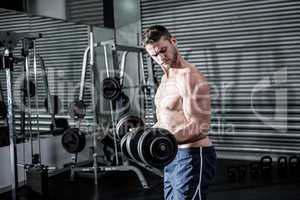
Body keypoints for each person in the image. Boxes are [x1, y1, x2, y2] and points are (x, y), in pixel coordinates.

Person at [143, 25, 216, 200]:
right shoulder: (165, 77)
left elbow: (201, 127)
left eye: (163, 50)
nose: (160, 58)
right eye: (154, 55)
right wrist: (143, 135)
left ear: (173, 41)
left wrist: (161, 141)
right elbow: (166, 120)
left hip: (192, 156)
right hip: (171, 156)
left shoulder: (189, 76)